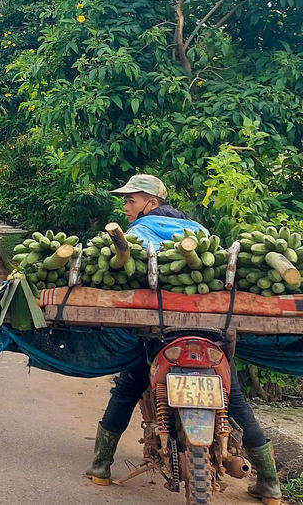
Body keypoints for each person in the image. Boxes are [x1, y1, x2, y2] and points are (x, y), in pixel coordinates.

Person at [85, 174, 280, 501]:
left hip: (162, 333)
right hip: (211, 334)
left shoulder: (138, 233)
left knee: (127, 387)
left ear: (151, 202)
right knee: (235, 400)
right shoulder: (200, 232)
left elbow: (128, 276)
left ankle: (102, 465)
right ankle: (271, 484)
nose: (126, 206)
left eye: (130, 200)